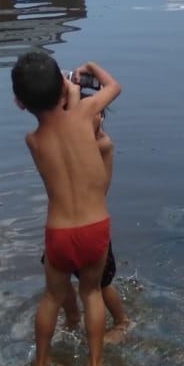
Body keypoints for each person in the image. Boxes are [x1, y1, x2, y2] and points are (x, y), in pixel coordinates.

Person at [11, 49, 121, 366]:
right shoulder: (88, 113)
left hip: (58, 235)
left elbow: (54, 128)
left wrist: (64, 94)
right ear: (64, 86)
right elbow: (113, 86)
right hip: (94, 229)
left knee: (52, 297)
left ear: (19, 103)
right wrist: (88, 70)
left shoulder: (32, 141)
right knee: (91, 294)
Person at [52, 116, 131, 343]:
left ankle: (122, 321)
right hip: (63, 227)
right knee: (61, 278)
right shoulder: (68, 143)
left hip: (91, 227)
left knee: (100, 285)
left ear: (101, 118)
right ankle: (72, 317)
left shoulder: (102, 145)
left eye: (89, 115)